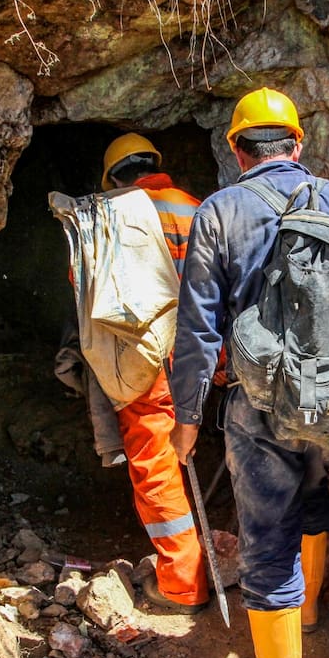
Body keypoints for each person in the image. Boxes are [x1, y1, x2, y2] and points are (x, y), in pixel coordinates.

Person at [168, 89, 329, 658]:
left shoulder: (219, 211)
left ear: (236, 149)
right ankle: (311, 610)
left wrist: (186, 420)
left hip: (259, 401)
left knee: (266, 535)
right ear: (298, 145)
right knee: (314, 497)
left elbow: (198, 329)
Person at [69, 133, 209, 614]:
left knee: (156, 466)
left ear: (112, 177)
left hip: (148, 361)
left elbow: (89, 292)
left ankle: (181, 584)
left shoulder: (111, 214)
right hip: (207, 353)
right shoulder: (198, 208)